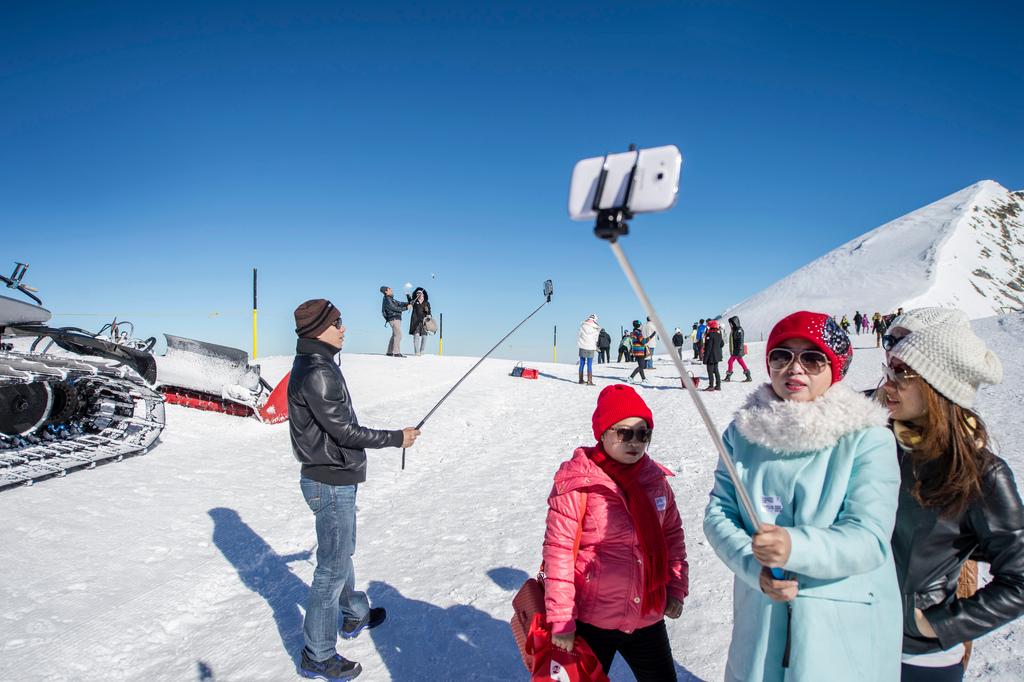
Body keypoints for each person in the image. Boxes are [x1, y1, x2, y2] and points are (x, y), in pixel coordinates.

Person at [704, 310, 902, 682]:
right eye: (782, 356)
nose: (795, 368)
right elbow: (720, 512)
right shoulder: (741, 433)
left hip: (840, 630)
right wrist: (754, 565)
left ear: (835, 369)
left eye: (812, 359)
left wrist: (794, 548)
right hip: (761, 623)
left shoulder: (867, 437)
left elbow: (869, 537)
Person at [879, 308, 1024, 682]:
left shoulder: (981, 472)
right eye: (887, 369)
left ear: (938, 383)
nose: (886, 384)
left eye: (901, 372)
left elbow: (1020, 577)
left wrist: (939, 624)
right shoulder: (876, 445)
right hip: (855, 639)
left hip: (918, 659)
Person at [288, 299, 421, 681]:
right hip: (330, 482)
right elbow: (345, 432)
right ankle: (317, 654)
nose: (343, 328)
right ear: (318, 330)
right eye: (337, 323)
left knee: (340, 552)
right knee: (331, 569)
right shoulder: (319, 372)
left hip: (332, 478)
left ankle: (354, 612)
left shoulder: (315, 363)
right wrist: (397, 437)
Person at [544, 384, 688, 680]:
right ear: (603, 433)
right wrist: (561, 618)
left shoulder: (655, 481)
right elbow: (559, 553)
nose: (634, 442)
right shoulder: (578, 482)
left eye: (642, 434)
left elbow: (672, 537)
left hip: (647, 615)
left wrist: (675, 586)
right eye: (624, 433)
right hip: (592, 620)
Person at [380, 286, 410, 357]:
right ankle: (396, 353)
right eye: (389, 289)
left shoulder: (390, 299)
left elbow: (400, 303)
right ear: (386, 291)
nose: (391, 289)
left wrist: (408, 301)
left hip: (395, 318)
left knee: (394, 335)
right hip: (393, 318)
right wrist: (406, 308)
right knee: (398, 335)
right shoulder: (387, 299)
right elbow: (394, 308)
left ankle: (389, 352)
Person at [723, 316, 752, 383]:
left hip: (737, 350)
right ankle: (748, 376)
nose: (730, 325)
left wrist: (739, 349)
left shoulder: (739, 330)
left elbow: (741, 340)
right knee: (740, 361)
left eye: (731, 323)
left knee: (730, 362)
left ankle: (728, 376)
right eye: (730, 323)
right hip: (736, 350)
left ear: (735, 323)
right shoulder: (735, 330)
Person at [407, 287, 431, 357]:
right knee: (416, 336)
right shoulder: (414, 301)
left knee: (424, 336)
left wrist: (428, 314)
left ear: (423, 294)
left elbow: (429, 311)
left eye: (420, 293)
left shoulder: (427, 302)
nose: (418, 294)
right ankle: (417, 352)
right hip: (415, 321)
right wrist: (408, 296)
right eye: (417, 293)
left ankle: (422, 351)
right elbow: (410, 302)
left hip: (424, 321)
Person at [577, 314, 601, 386]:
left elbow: (579, 335)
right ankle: (589, 381)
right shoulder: (596, 328)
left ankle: (580, 380)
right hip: (590, 347)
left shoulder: (583, 325)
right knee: (589, 364)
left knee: (582, 363)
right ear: (595, 320)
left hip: (582, 346)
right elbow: (596, 339)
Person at [701, 319, 724, 391]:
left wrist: (705, 359)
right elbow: (722, 344)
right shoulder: (719, 334)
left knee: (710, 371)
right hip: (717, 356)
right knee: (716, 370)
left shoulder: (709, 335)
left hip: (711, 356)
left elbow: (708, 348)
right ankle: (718, 385)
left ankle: (711, 386)